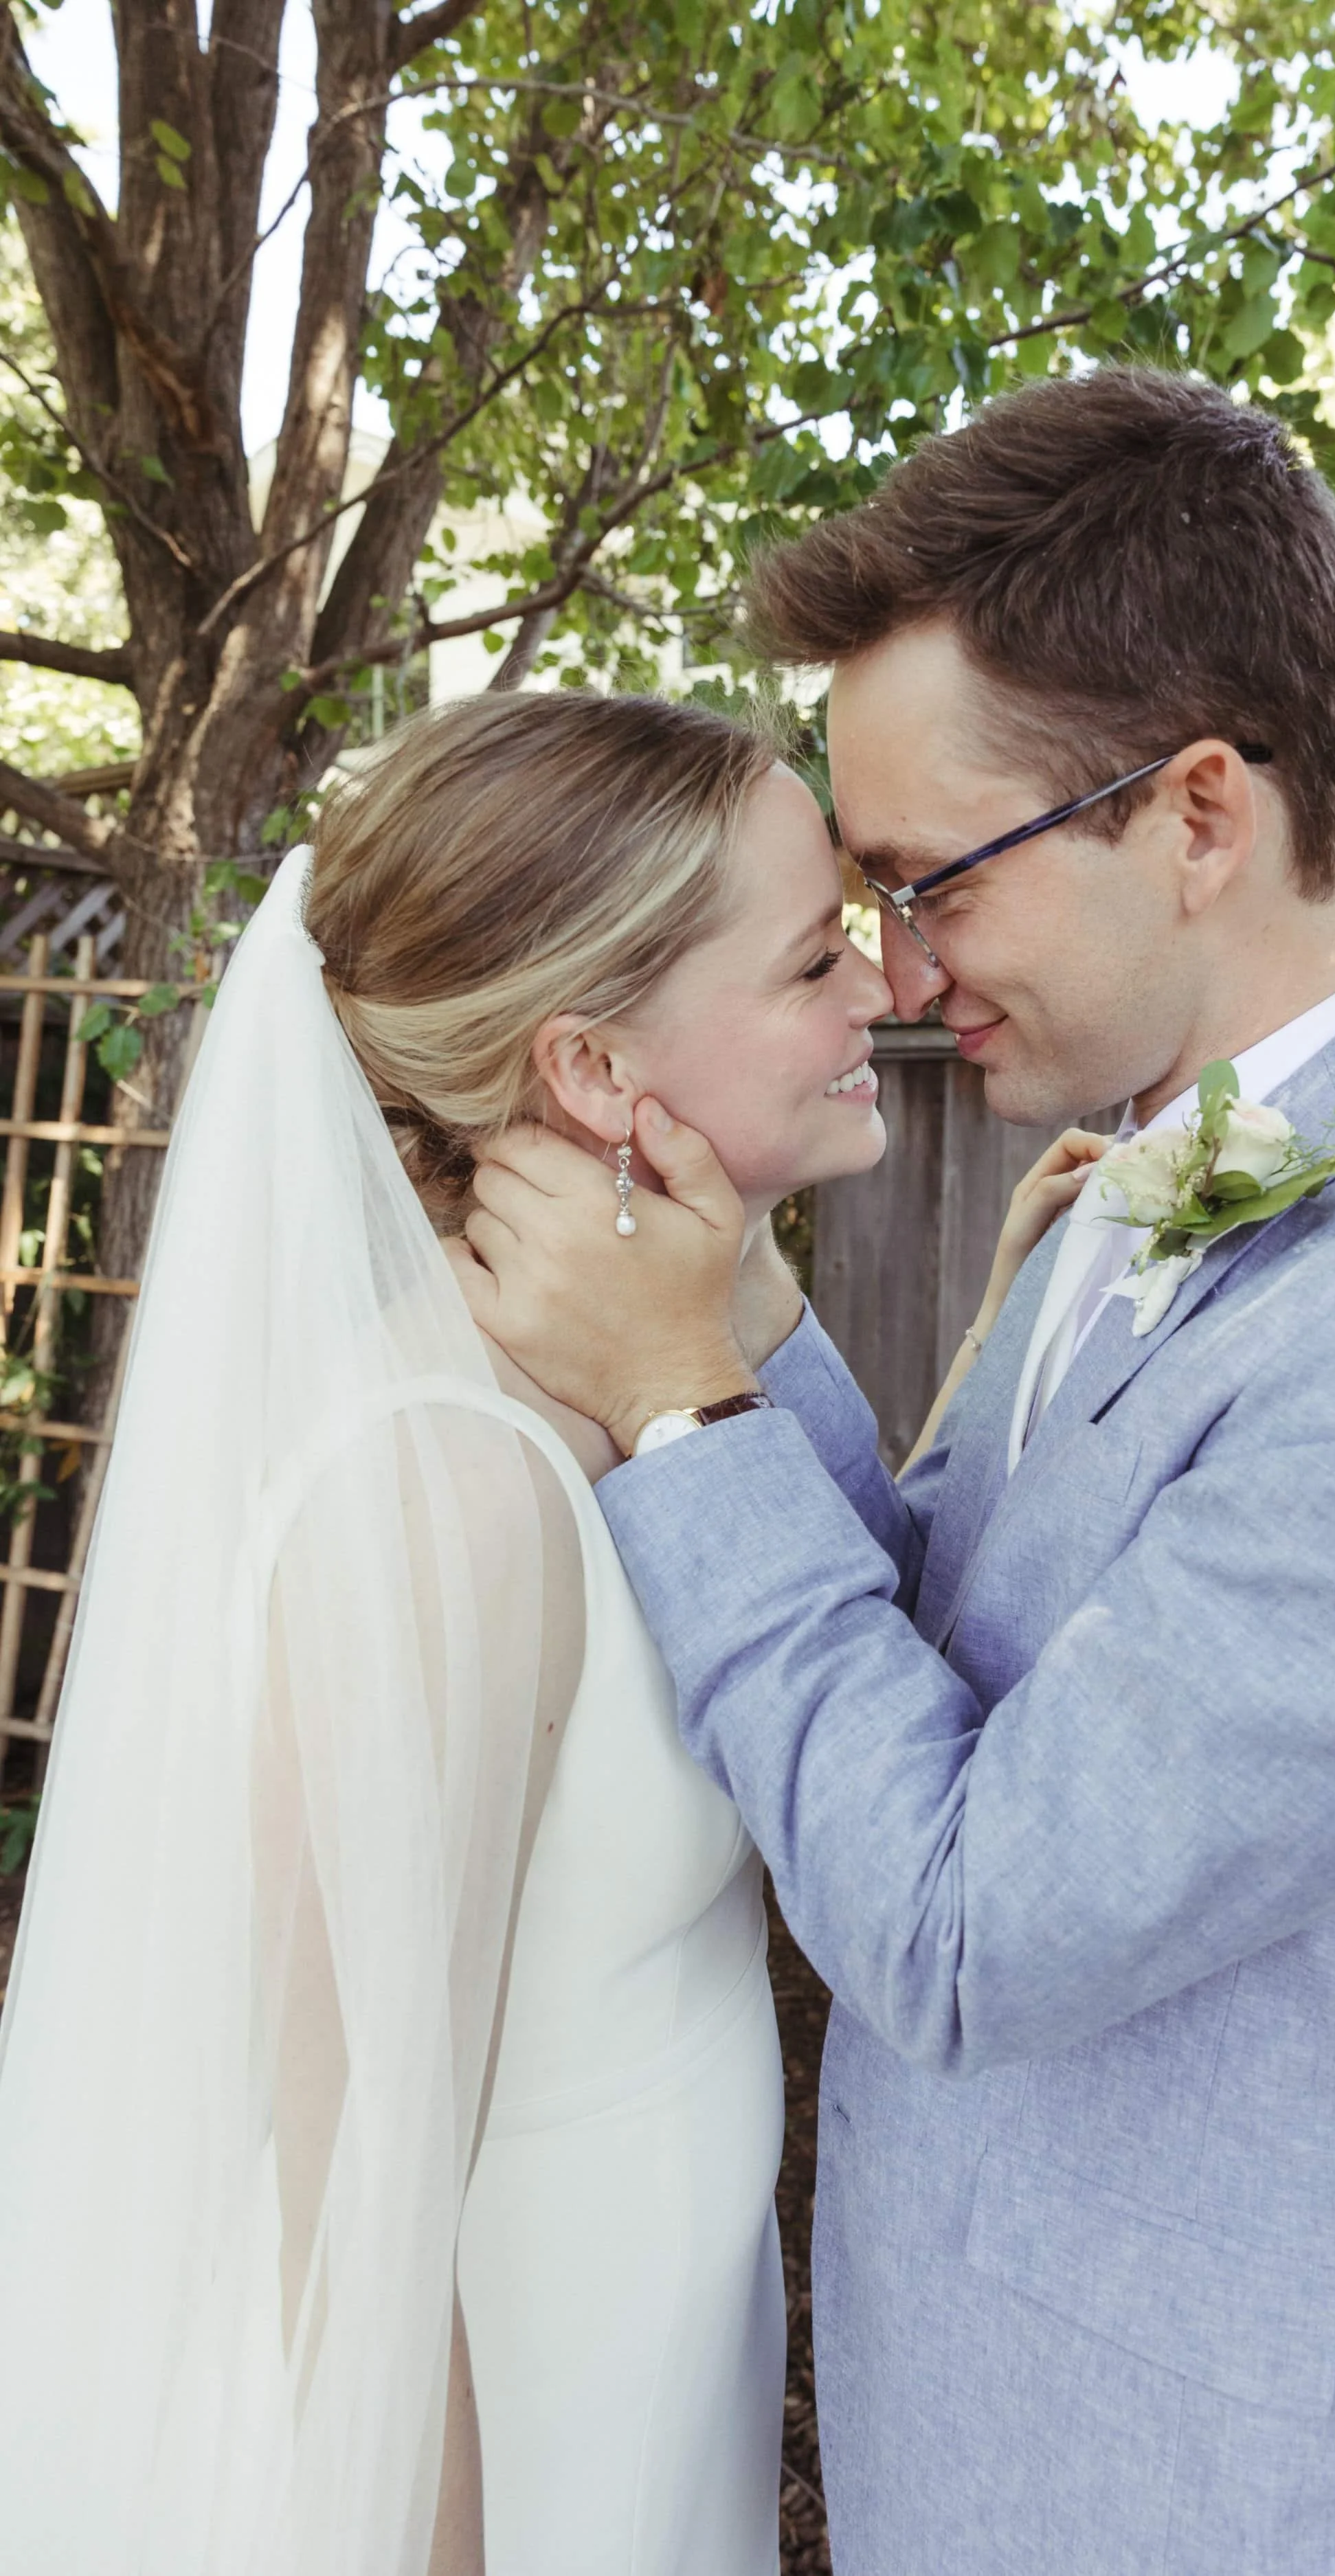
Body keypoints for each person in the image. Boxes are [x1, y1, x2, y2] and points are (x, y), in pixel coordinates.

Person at [458, 370, 1335, 2576]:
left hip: (1245, 2501)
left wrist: (683, 1410)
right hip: (992, 2451)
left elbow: (963, 1924)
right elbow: (944, 1662)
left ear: (1199, 815)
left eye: (925, 881)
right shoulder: (1151, 1158)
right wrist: (732, 1304)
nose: (899, 971)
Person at [0, 686, 977, 2576]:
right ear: (597, 1072)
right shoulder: (446, 1489)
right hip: (521, 2461)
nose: (886, 987)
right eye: (810, 960)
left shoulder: (626, 1402)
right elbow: (346, 2218)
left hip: (652, 2388)